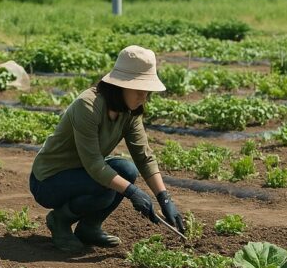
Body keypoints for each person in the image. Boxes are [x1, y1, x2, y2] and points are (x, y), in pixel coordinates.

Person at [29, 45, 188, 253]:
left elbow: (144, 158)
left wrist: (164, 198)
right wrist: (133, 192)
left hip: (82, 173)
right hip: (49, 180)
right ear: (121, 85)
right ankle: (59, 221)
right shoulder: (88, 106)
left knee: (127, 170)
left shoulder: (129, 112)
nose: (144, 97)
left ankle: (89, 228)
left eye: (147, 91)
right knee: (105, 189)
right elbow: (94, 164)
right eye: (139, 90)